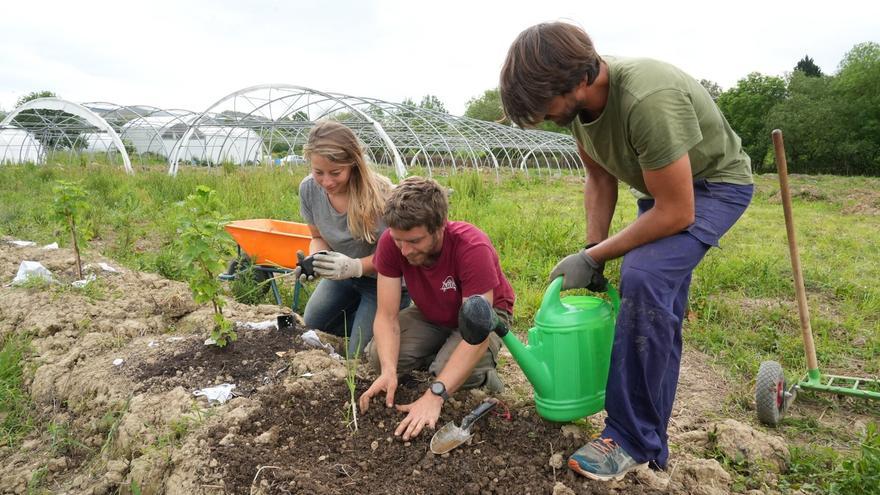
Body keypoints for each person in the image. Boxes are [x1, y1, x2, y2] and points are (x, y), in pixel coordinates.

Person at [500, 22, 754, 481]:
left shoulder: (646, 98)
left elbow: (677, 211)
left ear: (579, 80)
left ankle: (631, 438)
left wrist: (596, 258)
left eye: (545, 105)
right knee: (657, 304)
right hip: (664, 189)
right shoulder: (579, 111)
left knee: (644, 276)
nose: (543, 116)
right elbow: (599, 178)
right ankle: (653, 445)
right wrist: (592, 247)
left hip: (714, 186)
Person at [357, 177, 515, 441]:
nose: (405, 250)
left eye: (415, 241)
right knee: (378, 355)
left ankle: (483, 375)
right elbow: (386, 316)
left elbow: (476, 335)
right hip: (433, 311)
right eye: (399, 240)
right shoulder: (391, 243)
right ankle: (445, 357)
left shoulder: (472, 247)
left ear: (440, 227)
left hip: (485, 317)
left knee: (445, 375)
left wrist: (435, 395)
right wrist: (388, 371)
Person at [295, 120, 410, 358]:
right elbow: (317, 236)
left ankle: (391, 325)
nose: (327, 182)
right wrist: (317, 259)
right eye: (318, 172)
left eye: (336, 173)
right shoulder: (309, 190)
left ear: (353, 164)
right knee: (313, 323)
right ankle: (362, 320)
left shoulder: (381, 195)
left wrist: (355, 266)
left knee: (357, 354)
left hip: (383, 282)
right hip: (343, 277)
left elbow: (400, 253)